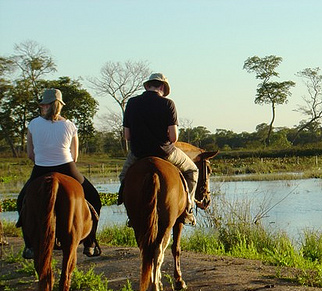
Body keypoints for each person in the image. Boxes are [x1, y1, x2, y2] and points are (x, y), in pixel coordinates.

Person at [17, 88, 102, 259]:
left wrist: (45, 161)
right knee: (94, 199)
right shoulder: (70, 125)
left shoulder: (33, 124)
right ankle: (90, 243)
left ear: (45, 106)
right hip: (67, 168)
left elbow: (30, 155)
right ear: (60, 106)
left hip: (41, 169)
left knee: (21, 201)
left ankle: (29, 245)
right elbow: (75, 156)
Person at [118, 73, 198, 225]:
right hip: (165, 153)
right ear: (162, 87)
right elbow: (174, 138)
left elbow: (127, 136)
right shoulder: (168, 104)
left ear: (147, 86)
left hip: (138, 154)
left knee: (124, 177)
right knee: (192, 171)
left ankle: (131, 214)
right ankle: (188, 208)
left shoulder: (132, 103)